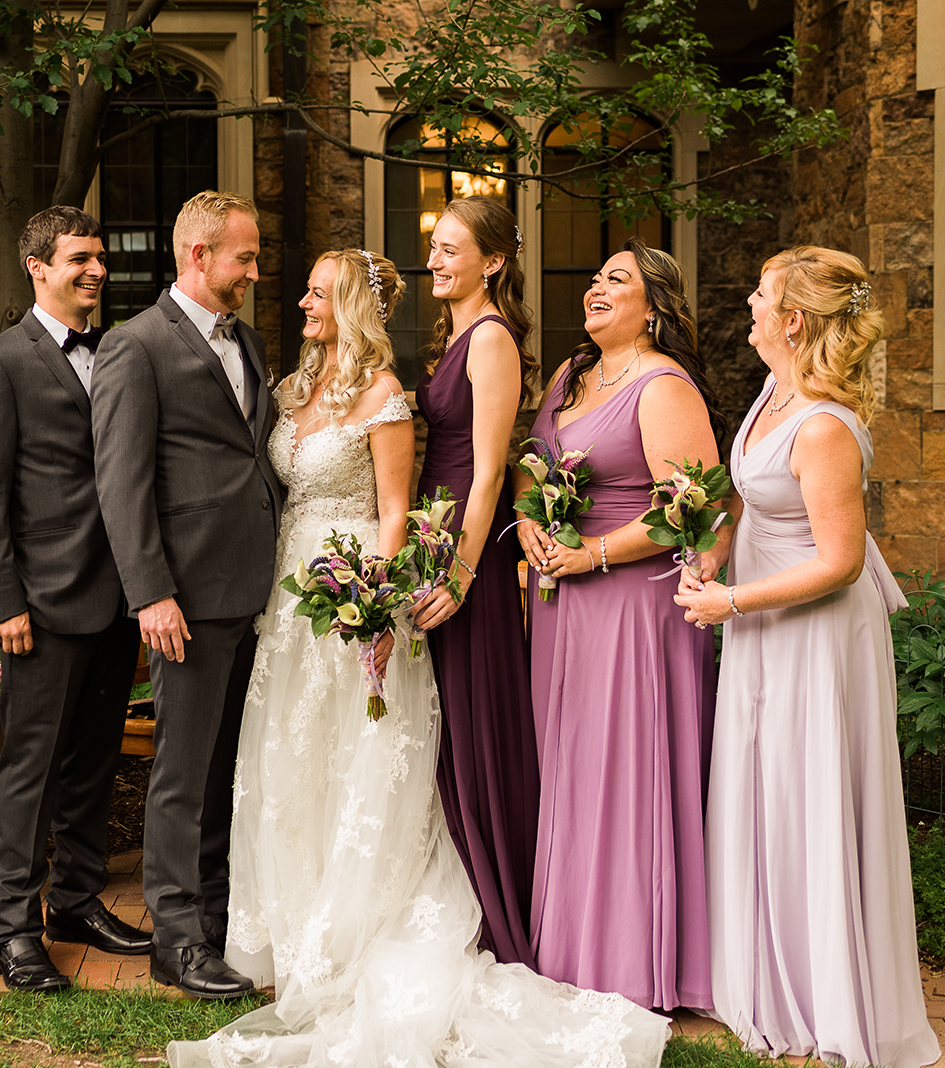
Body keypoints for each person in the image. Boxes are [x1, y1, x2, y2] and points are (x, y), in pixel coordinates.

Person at [169, 249, 671, 1068]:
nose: (299, 299)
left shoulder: (388, 396)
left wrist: (377, 599)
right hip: (288, 599)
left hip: (357, 588)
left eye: (315, 289)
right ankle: (293, 930)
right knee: (292, 759)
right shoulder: (291, 391)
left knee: (362, 758)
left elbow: (396, 507)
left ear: (349, 304)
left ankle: (355, 929)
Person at [674, 247, 939, 1068]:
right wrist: (716, 552)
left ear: (792, 319)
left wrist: (729, 604)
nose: (747, 304)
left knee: (808, 790)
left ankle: (827, 994)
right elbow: (748, 501)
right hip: (760, 618)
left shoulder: (823, 425)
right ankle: (765, 967)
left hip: (815, 635)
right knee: (766, 788)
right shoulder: (769, 394)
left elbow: (840, 561)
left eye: (759, 293)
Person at [516, 238, 722, 1012]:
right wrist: (527, 522)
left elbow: (694, 511)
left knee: (627, 774)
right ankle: (570, 950)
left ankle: (638, 963)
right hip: (565, 599)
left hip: (635, 603)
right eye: (597, 275)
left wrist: (595, 552)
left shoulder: (664, 386)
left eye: (619, 280)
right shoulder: (572, 375)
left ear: (654, 306)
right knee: (572, 768)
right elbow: (531, 468)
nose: (598, 287)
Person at [91, 190, 282, 1000]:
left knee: (227, 769)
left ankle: (214, 919)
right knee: (181, 771)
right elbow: (121, 483)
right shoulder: (136, 347)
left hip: (254, 594)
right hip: (185, 601)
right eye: (244, 256)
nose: (254, 271)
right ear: (199, 255)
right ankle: (176, 936)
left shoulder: (247, 340)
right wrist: (151, 594)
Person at [0, 205, 147, 993]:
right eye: (79, 258)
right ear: (38, 267)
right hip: (40, 602)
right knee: (28, 770)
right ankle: (13, 927)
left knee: (95, 762)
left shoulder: (120, 351)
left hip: (117, 598)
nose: (96, 269)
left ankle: (75, 902)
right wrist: (3, 603)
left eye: (101, 256)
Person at [409, 195, 539, 967]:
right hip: (436, 535)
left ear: (492, 262)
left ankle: (498, 900)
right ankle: (450, 888)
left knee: (473, 716)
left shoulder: (491, 339)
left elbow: (491, 468)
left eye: (452, 249)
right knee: (441, 721)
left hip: (471, 555)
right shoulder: (456, 333)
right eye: (435, 247)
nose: (436, 260)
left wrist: (460, 572)